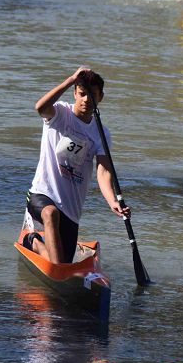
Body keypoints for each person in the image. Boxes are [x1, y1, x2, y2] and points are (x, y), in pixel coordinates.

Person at [26, 67, 131, 264]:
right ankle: (59, 276)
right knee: (50, 213)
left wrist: (112, 202)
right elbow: (40, 107)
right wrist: (71, 79)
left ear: (100, 98)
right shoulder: (60, 113)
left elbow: (103, 171)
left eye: (91, 95)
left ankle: (34, 242)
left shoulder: (101, 133)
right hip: (41, 194)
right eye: (81, 94)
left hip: (70, 210)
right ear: (75, 93)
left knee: (61, 260)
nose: (86, 100)